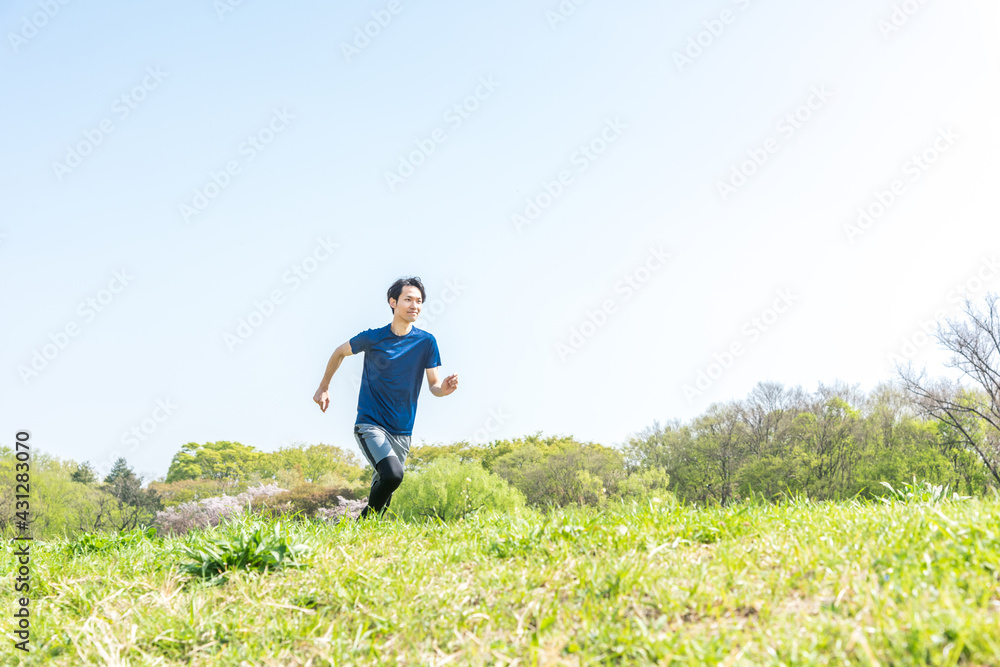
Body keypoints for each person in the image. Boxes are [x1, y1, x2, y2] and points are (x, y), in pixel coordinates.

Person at [312, 276, 458, 520]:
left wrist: (443, 389)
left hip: (403, 430)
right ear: (393, 302)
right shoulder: (374, 337)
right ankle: (360, 525)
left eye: (419, 301)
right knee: (392, 475)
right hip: (370, 423)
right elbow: (339, 352)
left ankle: (360, 533)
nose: (415, 305)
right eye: (408, 299)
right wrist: (323, 387)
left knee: (386, 486)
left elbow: (434, 385)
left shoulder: (426, 342)